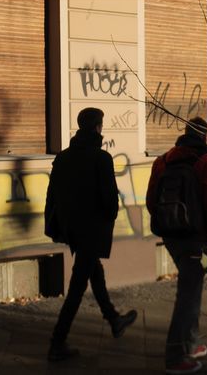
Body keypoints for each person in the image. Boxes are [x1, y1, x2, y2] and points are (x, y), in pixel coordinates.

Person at [43, 107, 138, 361]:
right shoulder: (101, 159)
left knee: (95, 273)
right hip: (91, 230)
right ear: (98, 127)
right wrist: (107, 218)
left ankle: (114, 319)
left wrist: (58, 225)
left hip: (72, 230)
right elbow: (110, 202)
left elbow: (51, 196)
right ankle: (57, 342)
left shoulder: (62, 158)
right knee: (77, 288)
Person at [146, 116, 207, 375]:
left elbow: (151, 200)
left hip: (170, 235)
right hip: (196, 237)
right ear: (205, 137)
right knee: (188, 295)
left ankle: (191, 343)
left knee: (192, 287)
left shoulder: (163, 160)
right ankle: (176, 355)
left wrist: (170, 223)